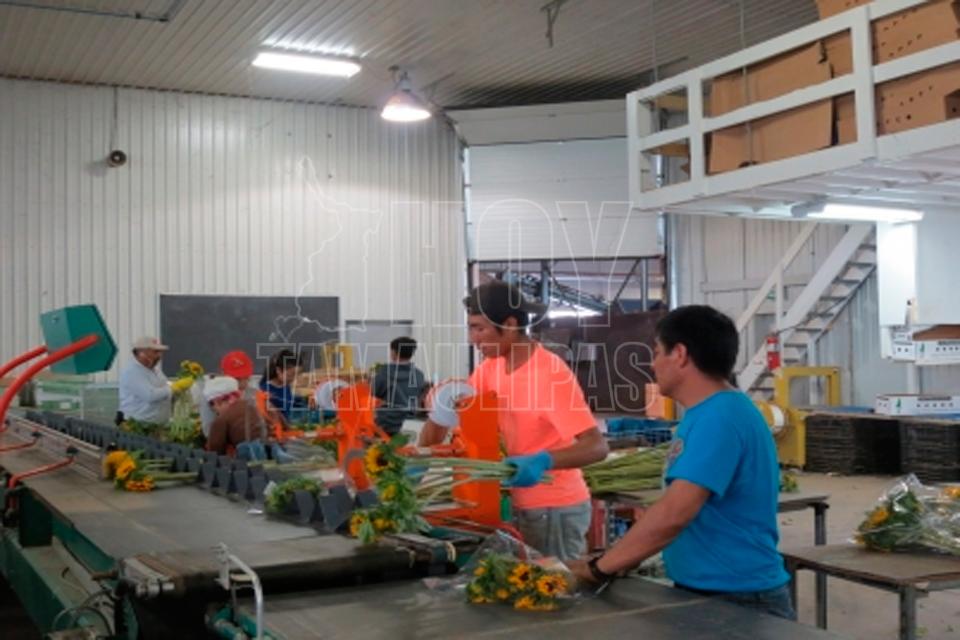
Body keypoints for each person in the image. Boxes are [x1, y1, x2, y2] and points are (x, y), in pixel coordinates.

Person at [568, 305, 794, 620]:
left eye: (657, 352)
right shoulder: (709, 412)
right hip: (715, 591)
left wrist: (598, 568)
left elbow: (674, 513)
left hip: (737, 598)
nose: (652, 364)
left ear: (680, 354)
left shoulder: (719, 417)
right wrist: (624, 555)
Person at [419, 281, 608, 560]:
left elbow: (596, 447)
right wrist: (438, 410)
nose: (473, 339)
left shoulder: (549, 375)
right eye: (470, 329)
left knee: (555, 583)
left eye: (479, 329)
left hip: (554, 509)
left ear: (509, 325)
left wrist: (543, 461)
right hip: (518, 502)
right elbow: (451, 416)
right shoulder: (490, 367)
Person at [117, 336, 192, 425]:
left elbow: (163, 385)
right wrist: (173, 388)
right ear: (142, 353)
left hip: (156, 423)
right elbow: (150, 395)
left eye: (160, 352)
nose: (159, 356)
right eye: (155, 352)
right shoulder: (132, 372)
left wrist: (178, 387)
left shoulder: (154, 369)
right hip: (138, 424)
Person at [372, 337, 429, 436]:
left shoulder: (384, 373)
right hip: (410, 425)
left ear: (394, 352)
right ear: (412, 353)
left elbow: (371, 395)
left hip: (385, 426)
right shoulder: (419, 375)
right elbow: (420, 398)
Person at [203, 376, 266, 456]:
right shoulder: (250, 406)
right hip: (264, 446)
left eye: (212, 404)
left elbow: (215, 446)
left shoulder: (222, 419)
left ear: (219, 401)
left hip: (245, 452)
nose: (214, 409)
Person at [258, 349, 313, 425]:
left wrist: (305, 400)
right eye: (290, 375)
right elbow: (270, 414)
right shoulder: (265, 390)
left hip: (286, 427)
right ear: (278, 370)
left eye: (297, 374)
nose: (294, 379)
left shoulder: (285, 385)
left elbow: (288, 401)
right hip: (274, 428)